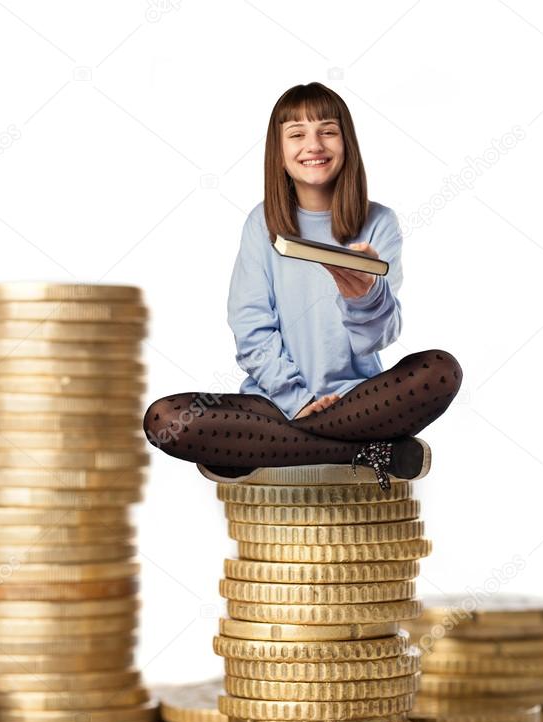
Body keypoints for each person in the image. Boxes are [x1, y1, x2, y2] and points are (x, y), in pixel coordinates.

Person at [143, 82, 462, 492]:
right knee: (168, 421)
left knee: (439, 370)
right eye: (296, 134)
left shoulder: (380, 223)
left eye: (327, 130)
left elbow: (377, 339)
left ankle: (266, 449)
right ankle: (360, 451)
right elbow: (250, 327)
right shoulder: (262, 224)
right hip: (273, 403)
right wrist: (298, 401)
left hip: (360, 402)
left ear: (346, 142)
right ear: (278, 152)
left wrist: (364, 295)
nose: (314, 144)